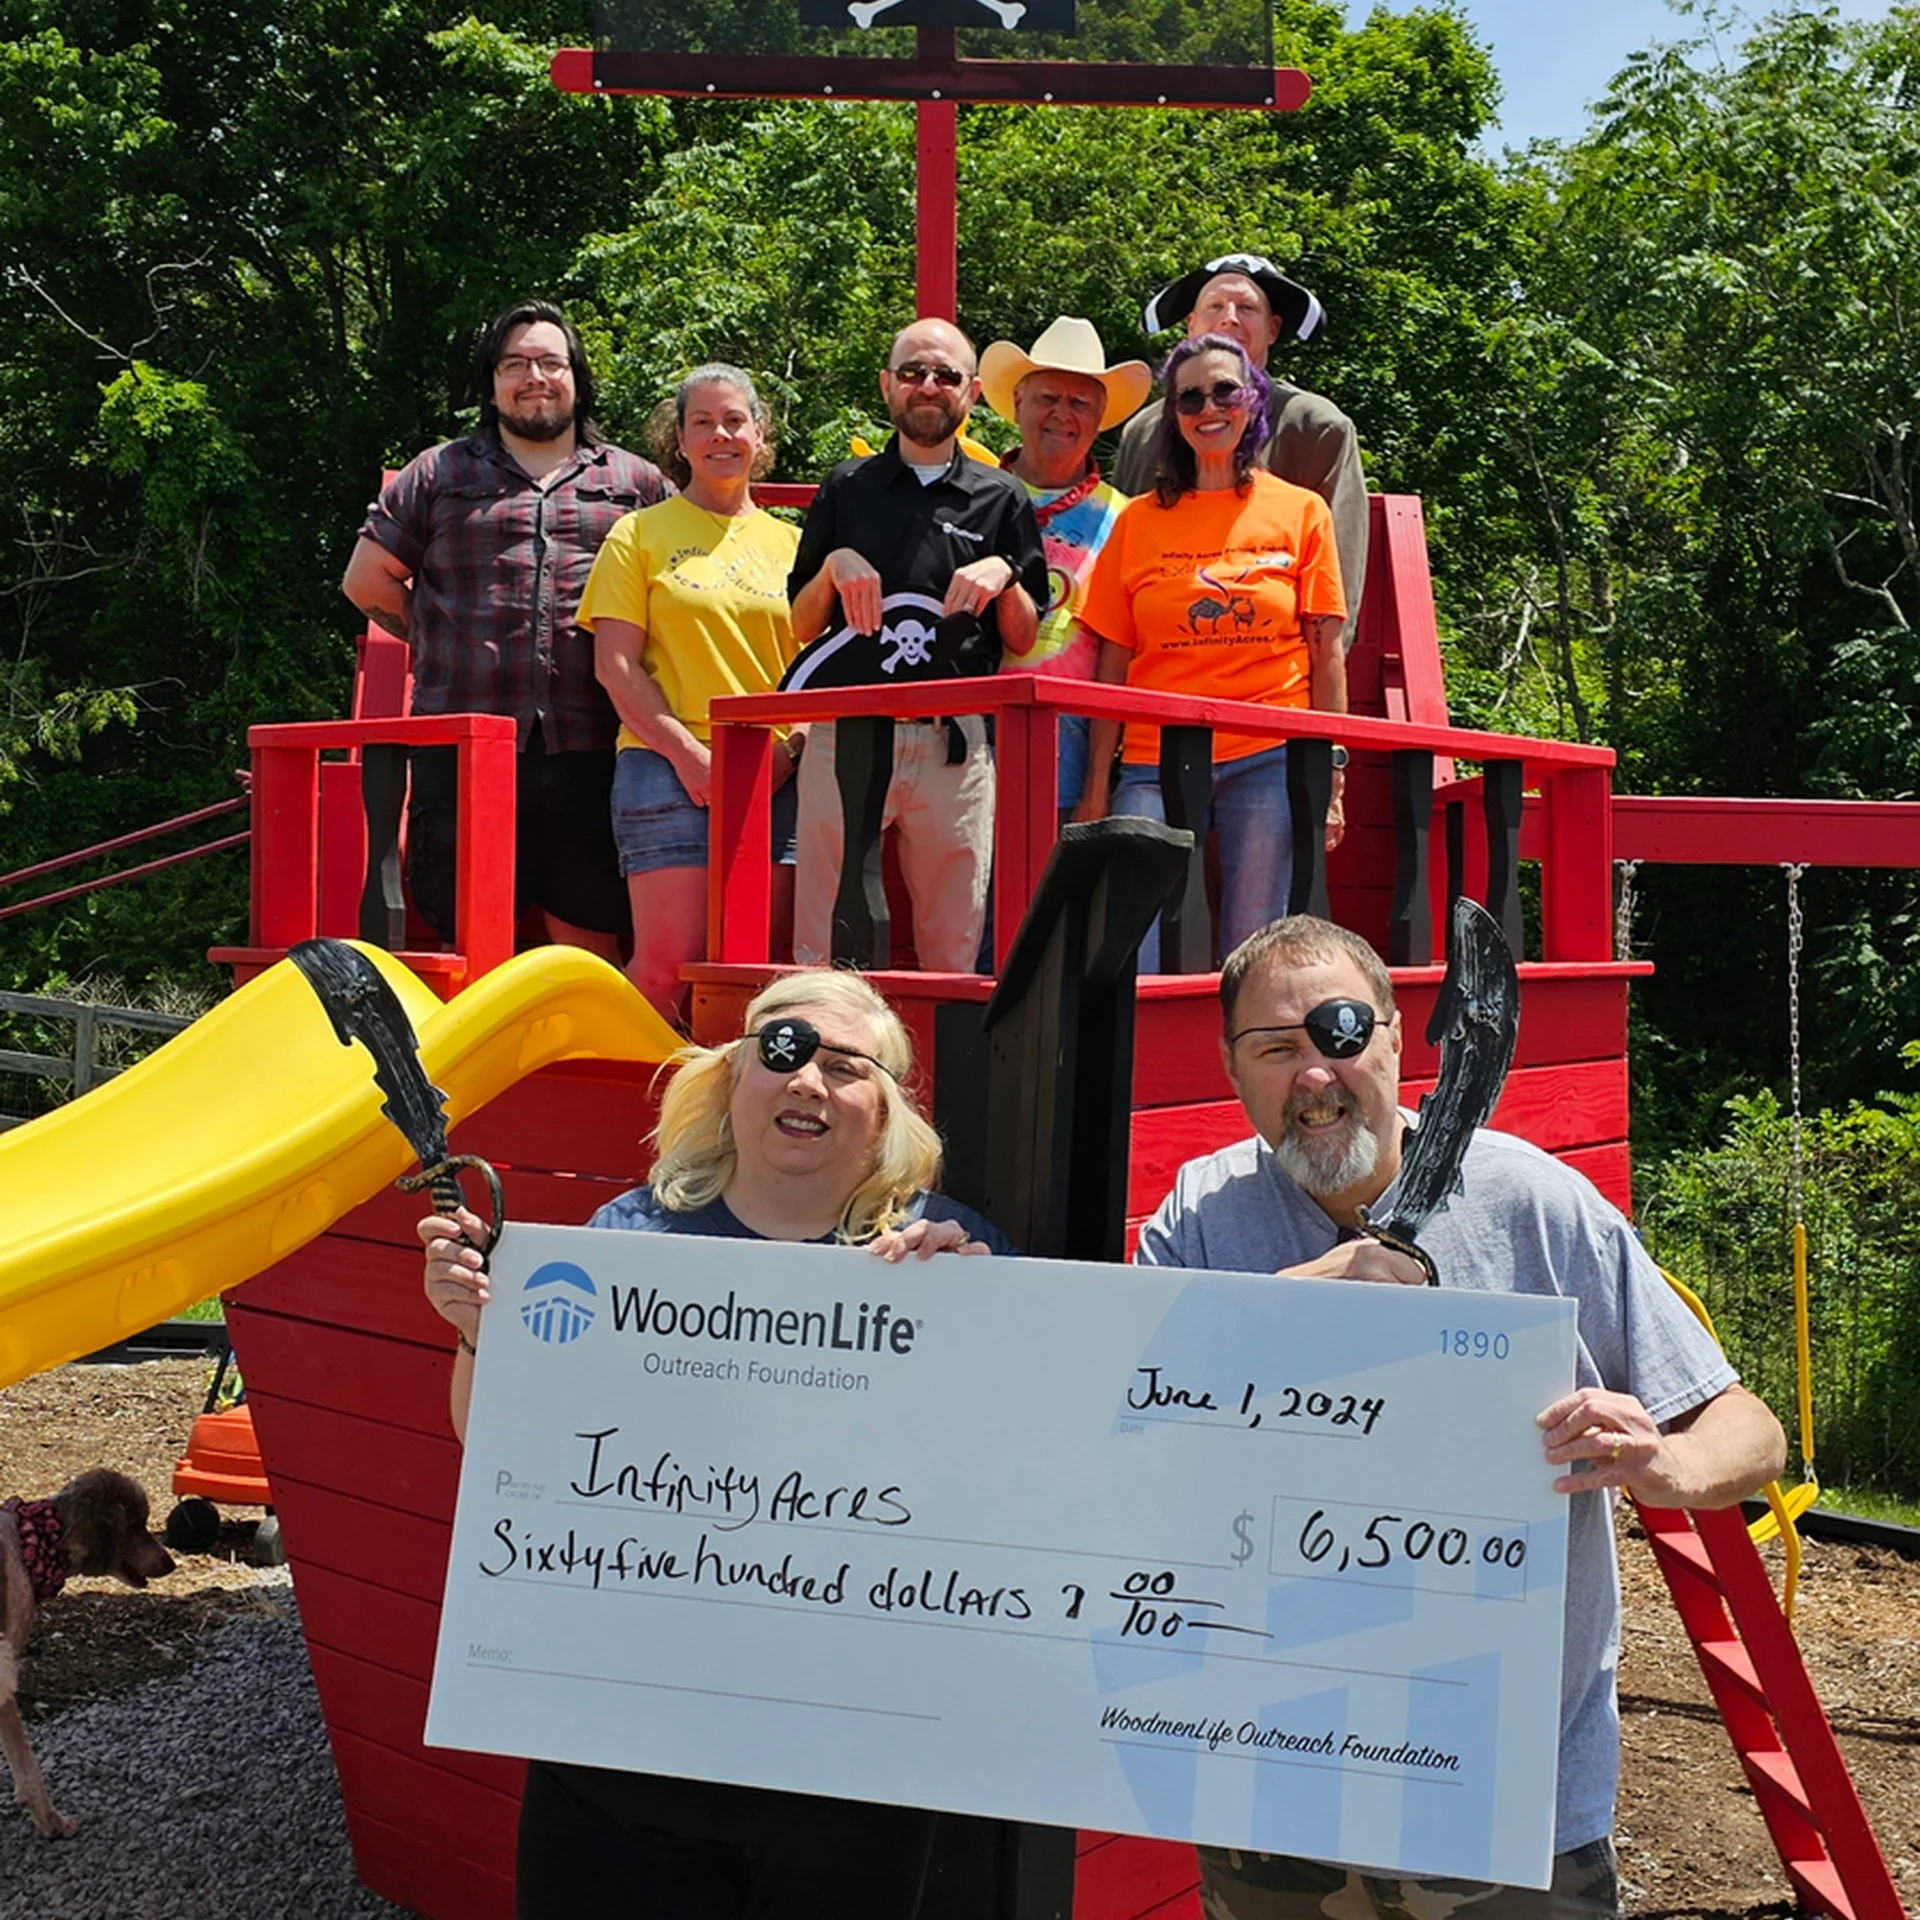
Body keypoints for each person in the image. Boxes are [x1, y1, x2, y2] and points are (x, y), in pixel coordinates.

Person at [1136, 914, 1788, 1920]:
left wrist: (1667, 1467)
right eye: (1275, 1049)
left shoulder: (1534, 1202)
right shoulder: (1201, 1213)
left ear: (1398, 1039)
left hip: (1498, 1789)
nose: (1314, 1074)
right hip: (1269, 1777)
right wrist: (1311, 1292)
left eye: (1341, 1032)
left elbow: (1748, 1428)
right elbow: (1128, 1416)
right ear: (1233, 1070)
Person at [419, 968, 1013, 1920]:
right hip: (621, 1750)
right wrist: (478, 1328)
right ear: (734, 1079)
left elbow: (1012, 1481)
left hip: (845, 1769)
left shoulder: (955, 1258)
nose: (809, 1082)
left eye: (846, 1067)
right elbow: (500, 1447)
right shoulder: (625, 1241)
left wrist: (989, 1333)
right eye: (781, 1053)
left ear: (889, 1111)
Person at [342, 298, 671, 960]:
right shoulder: (438, 473)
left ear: (577, 377)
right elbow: (366, 581)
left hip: (596, 744)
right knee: (473, 938)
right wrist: (437, 636)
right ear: (491, 384)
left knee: (592, 939)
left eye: (551, 362)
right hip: (468, 746)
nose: (534, 377)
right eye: (514, 363)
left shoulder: (635, 482)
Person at [1073, 334, 1348, 969]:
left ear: (1253, 401)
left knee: (1255, 943)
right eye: (1189, 396)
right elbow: (1112, 658)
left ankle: (1239, 1065)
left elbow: (1325, 650)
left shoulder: (1301, 510)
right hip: (1150, 758)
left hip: (1267, 754)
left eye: (1225, 389)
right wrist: (1095, 788)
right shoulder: (1137, 521)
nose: (1208, 406)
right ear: (1173, 416)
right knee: (1131, 931)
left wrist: (1333, 777)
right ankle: (1134, 1060)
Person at [785, 318, 1048, 972]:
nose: (928, 386)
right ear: (886, 386)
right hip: (844, 733)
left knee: (953, 948)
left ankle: (948, 1077)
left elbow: (1021, 638)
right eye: (912, 372)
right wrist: (834, 564)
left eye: (945, 375)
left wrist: (1005, 575)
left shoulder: (1003, 498)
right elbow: (799, 623)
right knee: (819, 941)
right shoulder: (846, 488)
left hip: (953, 747)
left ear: (973, 392)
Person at [576, 364, 801, 1026]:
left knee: (751, 965)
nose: (720, 435)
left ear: (760, 433)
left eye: (734, 420)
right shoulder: (638, 534)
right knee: (667, 963)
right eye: (701, 422)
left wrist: (787, 753)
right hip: (663, 764)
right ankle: (621, 1110)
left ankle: (731, 1123)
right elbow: (615, 666)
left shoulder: (797, 544)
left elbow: (815, 672)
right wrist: (686, 755)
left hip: (775, 771)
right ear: (679, 438)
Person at [1113, 253, 1368, 630]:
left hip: (1275, 669)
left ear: (1273, 329)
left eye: (1247, 308)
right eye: (1214, 305)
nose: (1229, 317)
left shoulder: (1317, 428)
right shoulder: (1145, 430)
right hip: (1158, 662)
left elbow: (1337, 578)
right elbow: (1120, 566)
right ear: (1190, 325)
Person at [977, 316, 1151, 816]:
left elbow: (1118, 658)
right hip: (961, 741)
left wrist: (1098, 785)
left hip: (1070, 748)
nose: (1062, 415)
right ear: (1017, 404)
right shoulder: (970, 496)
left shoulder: (1125, 517)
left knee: (1050, 892)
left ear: (1100, 419)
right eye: (1047, 398)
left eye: (1080, 403)